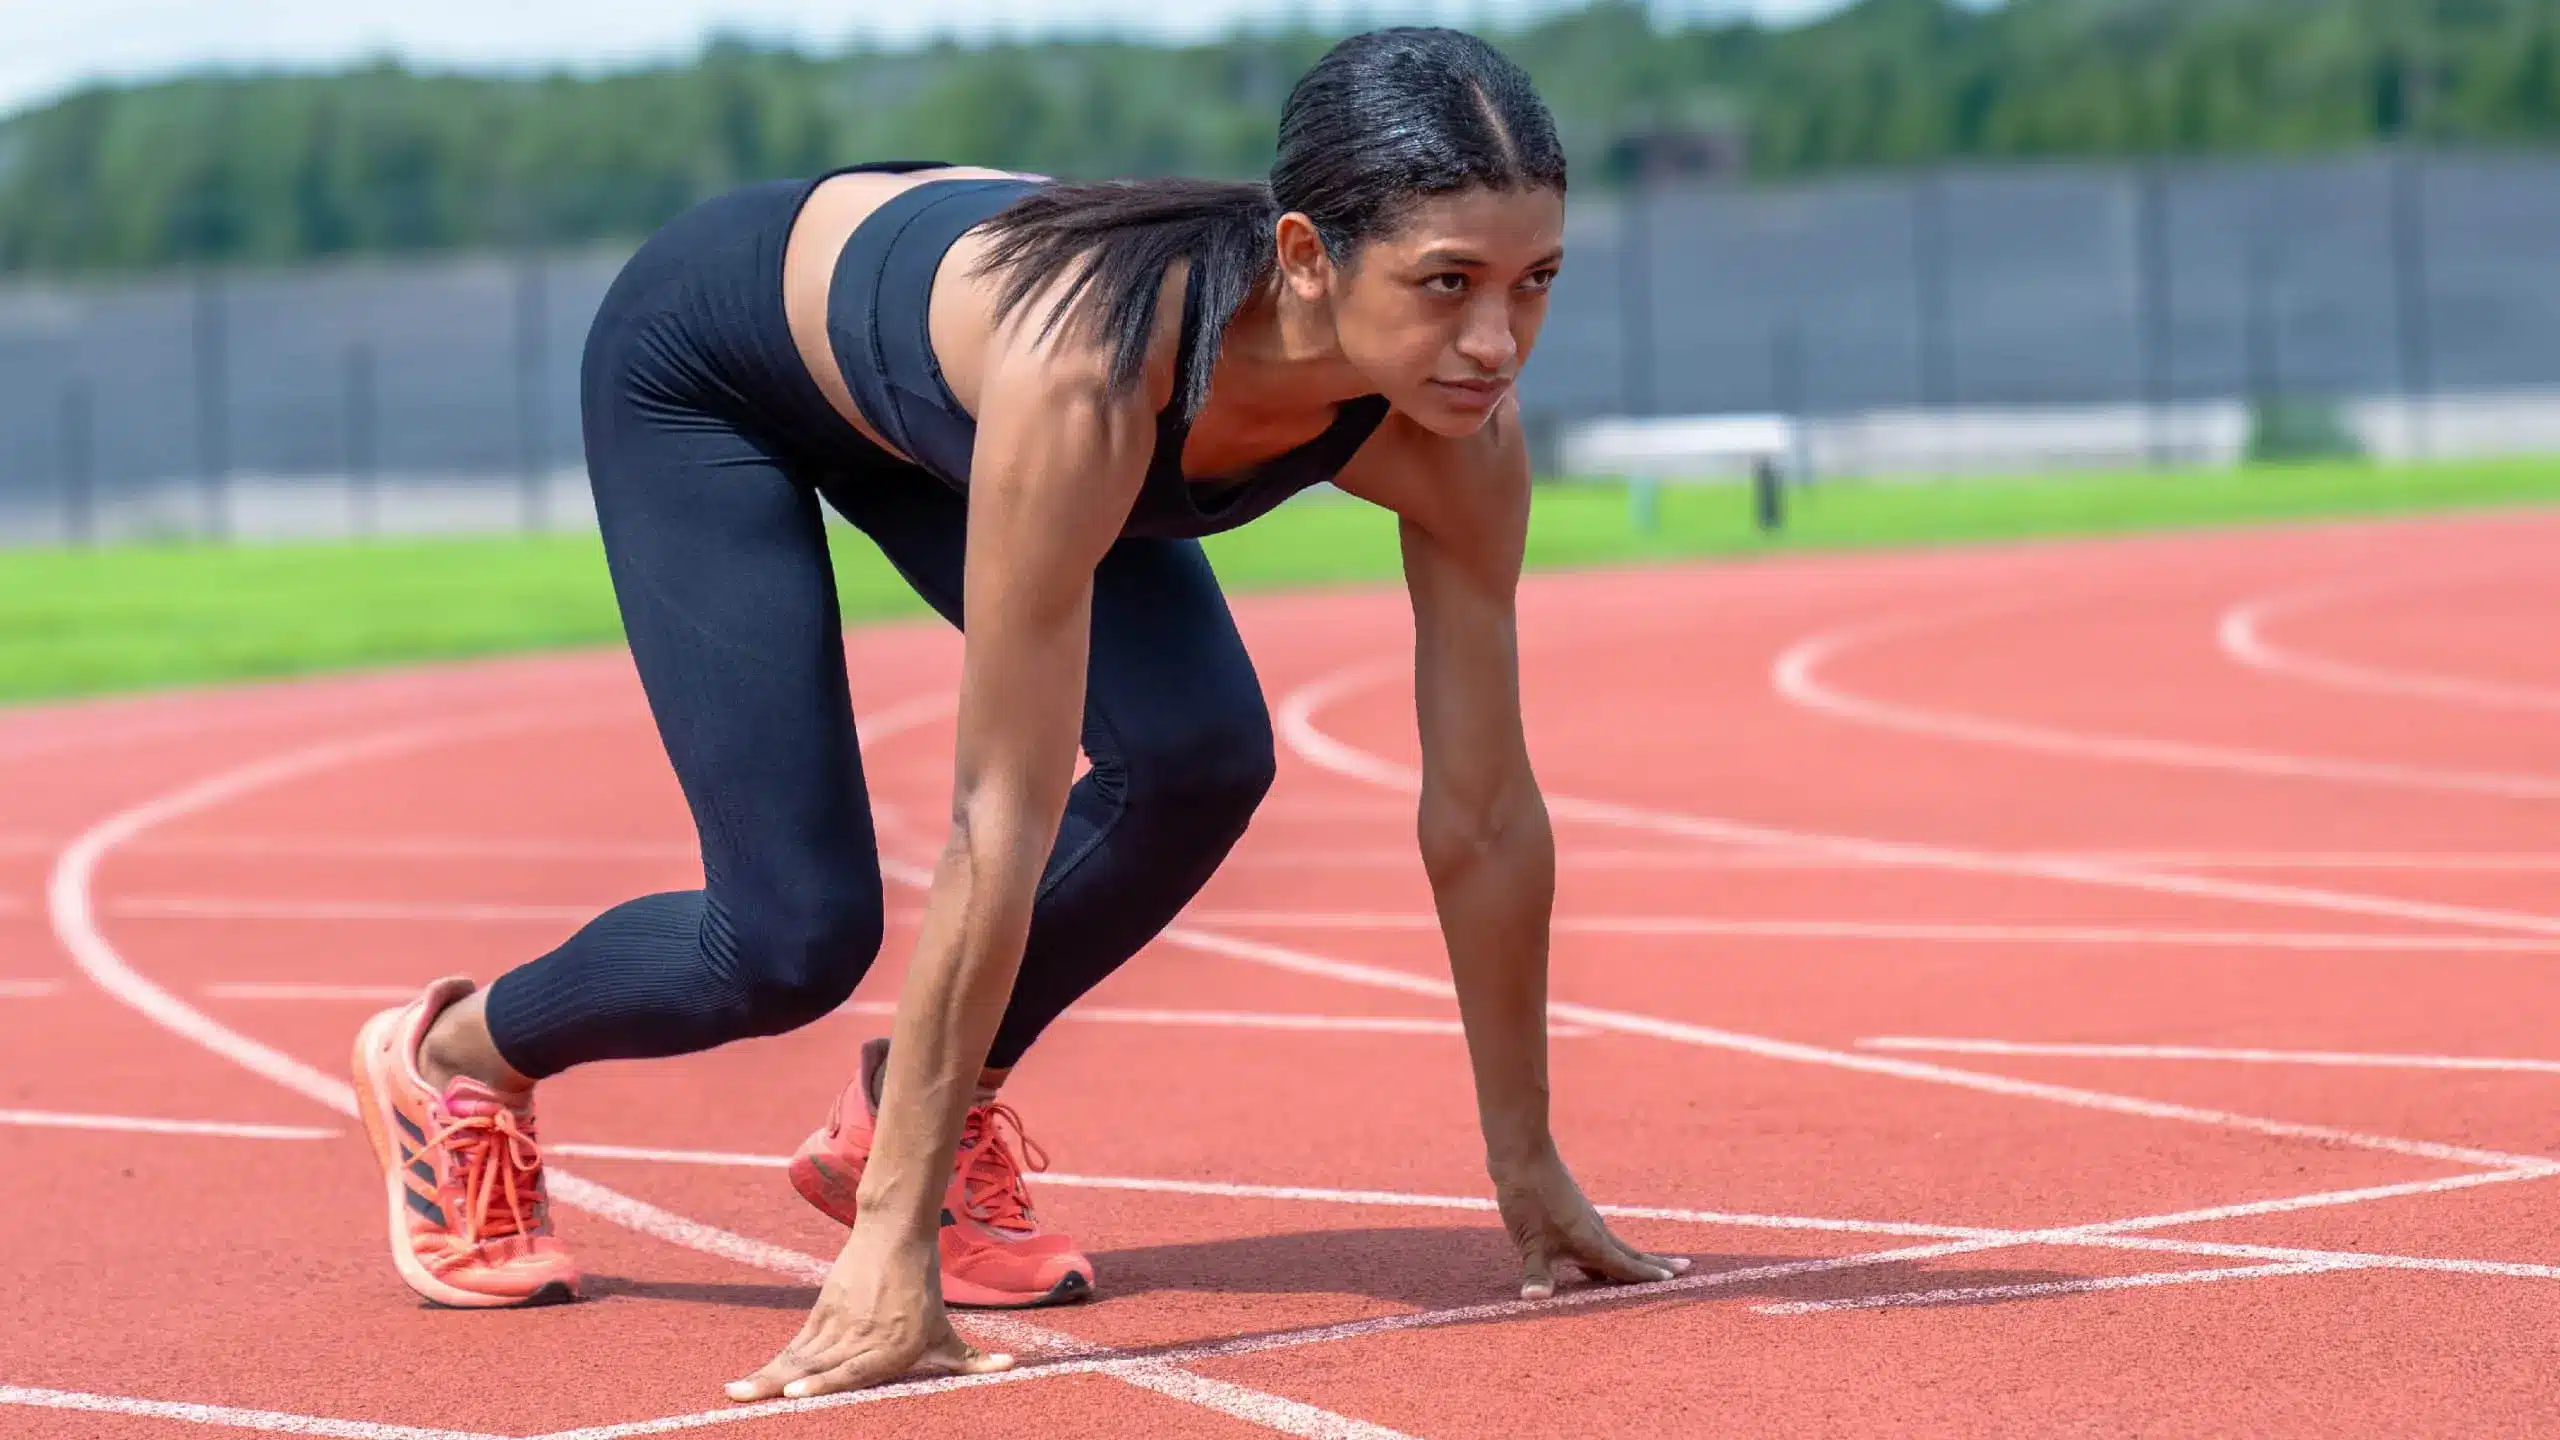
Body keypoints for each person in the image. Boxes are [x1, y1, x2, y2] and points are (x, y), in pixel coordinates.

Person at [348, 24, 1688, 1400]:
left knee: (1199, 759)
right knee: (788, 940)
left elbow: (1482, 814)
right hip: (721, 367)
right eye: (1447, 283)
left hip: (949, 379)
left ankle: (908, 1118)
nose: (1495, 340)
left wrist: (1526, 1170)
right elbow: (1001, 807)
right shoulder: (1095, 379)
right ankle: (453, 1056)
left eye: (1538, 284)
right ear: (1303, 257)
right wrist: (886, 1256)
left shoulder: (1460, 436)